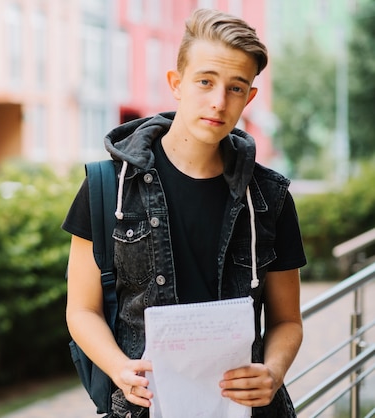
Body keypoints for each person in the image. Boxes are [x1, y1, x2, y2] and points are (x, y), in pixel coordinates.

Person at [63, 8, 306, 418]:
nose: (218, 101)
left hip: (247, 410)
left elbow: (288, 320)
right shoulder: (109, 187)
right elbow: (81, 310)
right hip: (144, 408)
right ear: (177, 84)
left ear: (250, 97)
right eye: (205, 81)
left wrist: (273, 371)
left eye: (235, 88)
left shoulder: (270, 197)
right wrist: (121, 370)